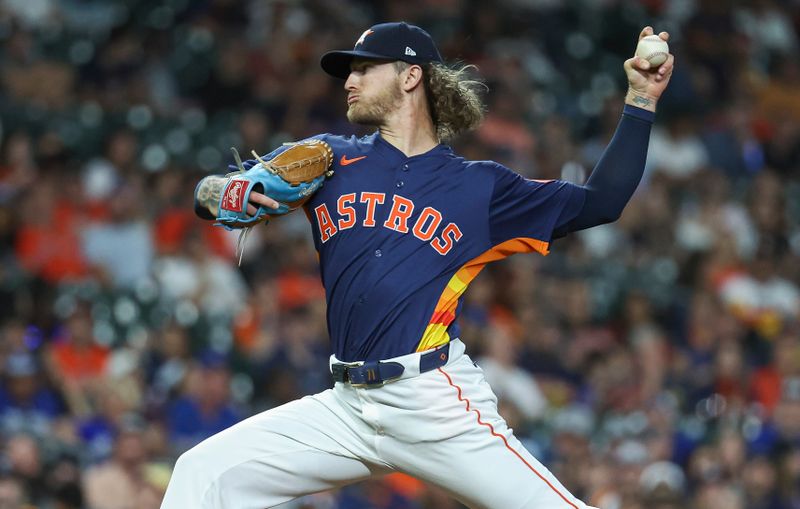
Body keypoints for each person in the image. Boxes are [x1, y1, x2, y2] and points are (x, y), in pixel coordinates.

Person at [163, 21, 674, 509]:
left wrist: (641, 99)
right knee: (200, 473)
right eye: (350, 70)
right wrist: (223, 191)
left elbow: (601, 201)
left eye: (365, 68)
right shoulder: (328, 158)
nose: (350, 79)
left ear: (411, 77)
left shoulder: (480, 188)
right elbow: (213, 195)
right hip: (346, 407)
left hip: (433, 401)